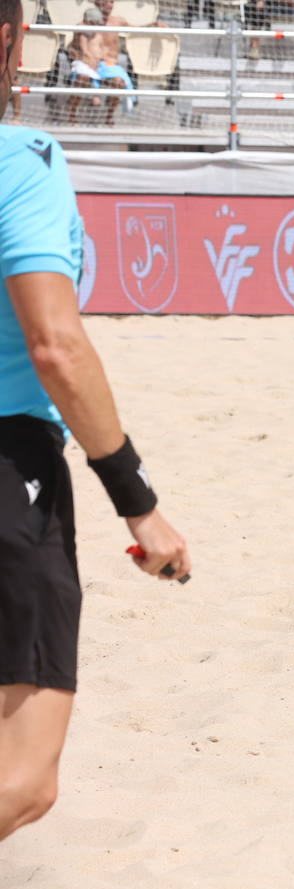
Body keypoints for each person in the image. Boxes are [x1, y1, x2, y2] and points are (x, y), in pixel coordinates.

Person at [0, 0, 191, 842]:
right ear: (9, 41)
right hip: (11, 463)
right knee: (25, 777)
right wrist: (136, 499)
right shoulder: (23, 160)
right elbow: (55, 347)